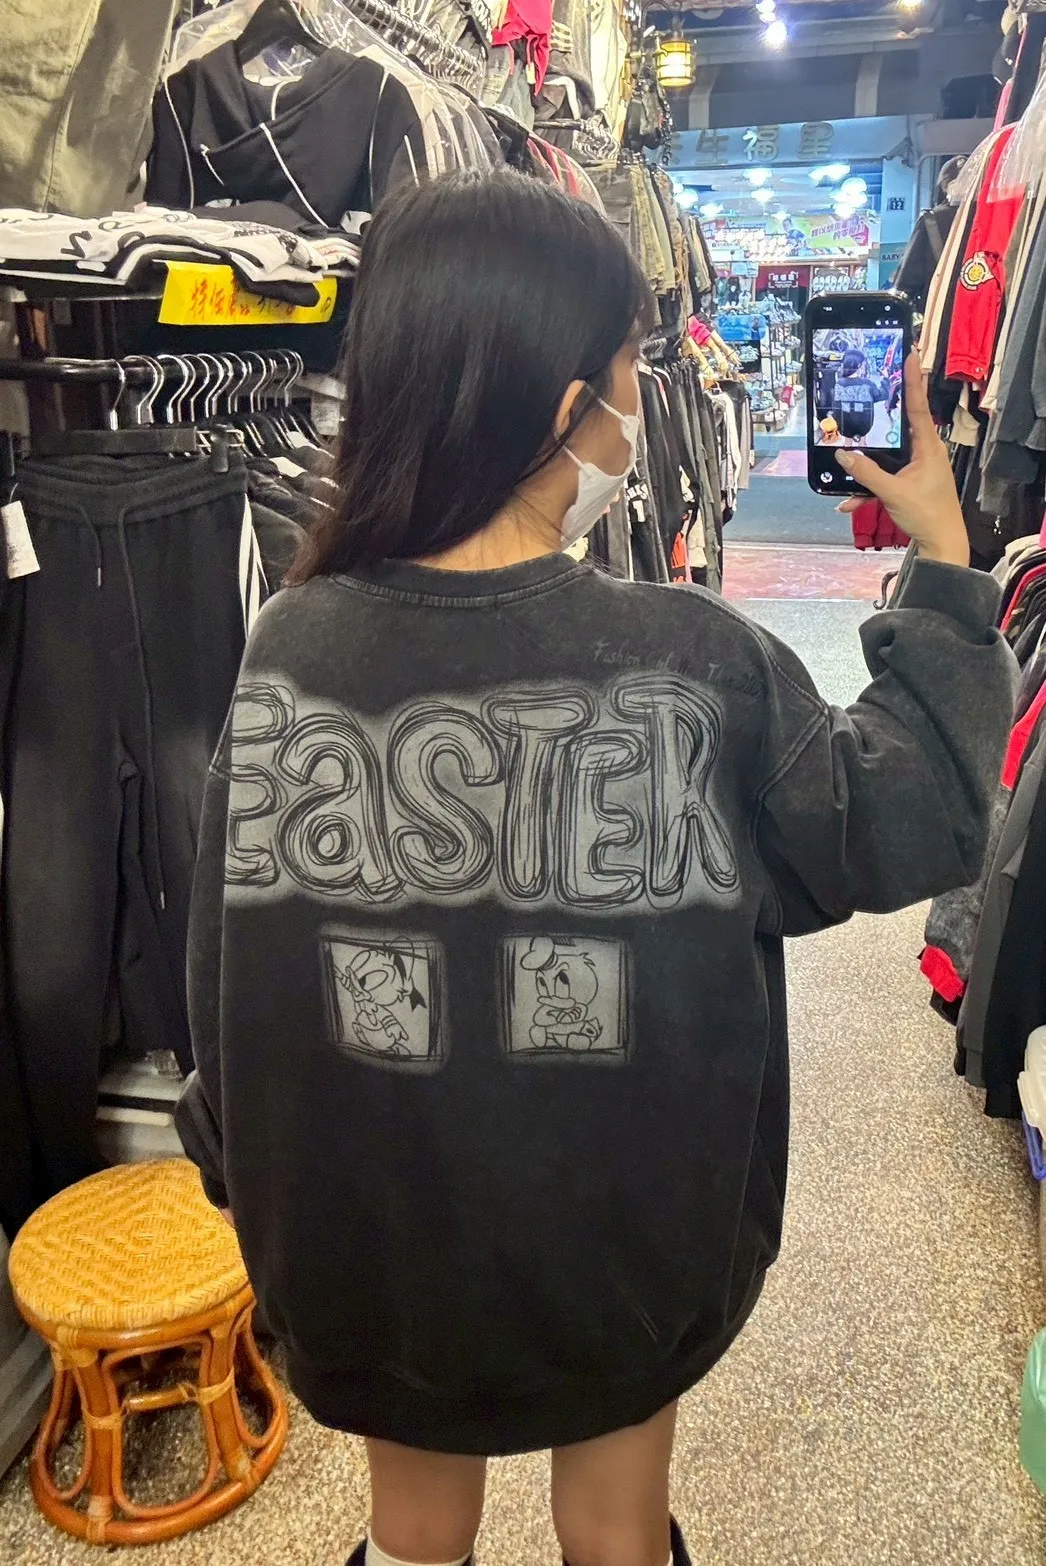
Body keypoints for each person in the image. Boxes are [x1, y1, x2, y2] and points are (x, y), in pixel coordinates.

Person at [176, 169, 1015, 1566]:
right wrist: (940, 558)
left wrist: (238, 1168)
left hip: (373, 1249)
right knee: (615, 1529)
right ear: (571, 405)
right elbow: (907, 817)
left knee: (413, 1529)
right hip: (628, 1249)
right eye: (632, 364)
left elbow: (229, 968)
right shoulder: (693, 661)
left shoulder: (293, 648)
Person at [831, 346, 888, 445]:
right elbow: (883, 395)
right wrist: (885, 379)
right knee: (862, 443)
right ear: (859, 365)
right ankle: (862, 451)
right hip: (863, 425)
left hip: (845, 425)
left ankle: (847, 453)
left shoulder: (839, 384)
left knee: (847, 443)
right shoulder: (868, 384)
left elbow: (835, 405)